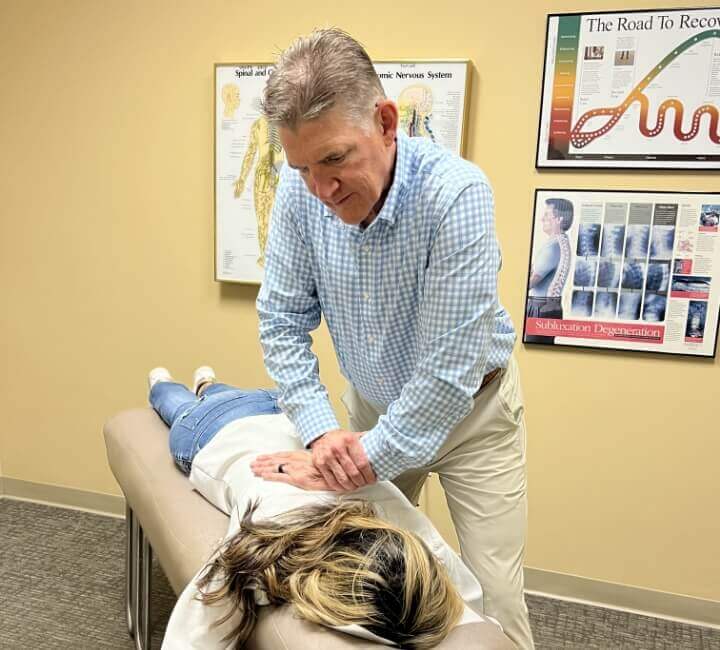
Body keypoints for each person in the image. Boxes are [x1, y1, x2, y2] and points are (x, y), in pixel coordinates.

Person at [253, 28, 533, 648]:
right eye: (301, 167)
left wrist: (354, 461)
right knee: (358, 581)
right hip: (369, 409)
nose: (321, 189)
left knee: (494, 601)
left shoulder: (456, 194)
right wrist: (325, 433)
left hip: (472, 419)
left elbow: (446, 374)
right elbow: (281, 322)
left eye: (334, 159)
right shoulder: (303, 203)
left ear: (385, 122)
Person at [148, 367, 513, 649]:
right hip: (209, 429)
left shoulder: (391, 515)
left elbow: (445, 571)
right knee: (169, 399)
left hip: (281, 412)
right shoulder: (271, 532)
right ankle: (169, 381)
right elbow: (196, 626)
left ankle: (207, 383)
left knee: (214, 393)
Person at [524, 198, 574, 344]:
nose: (542, 219)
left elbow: (529, 283)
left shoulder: (552, 247)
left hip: (541, 309)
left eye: (547, 215)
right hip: (550, 308)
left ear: (559, 219)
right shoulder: (562, 242)